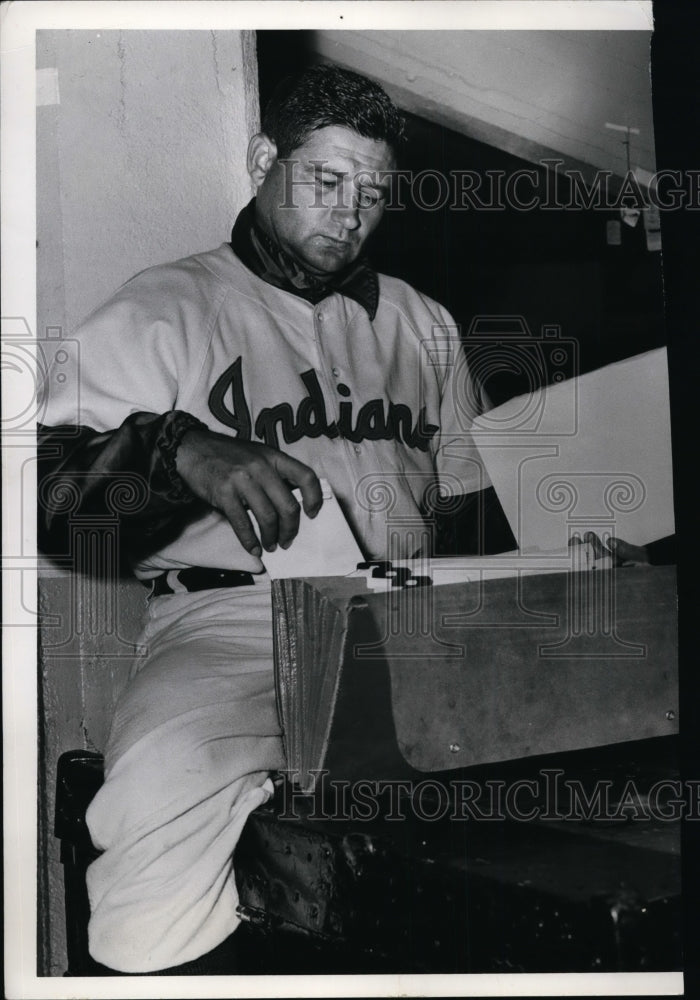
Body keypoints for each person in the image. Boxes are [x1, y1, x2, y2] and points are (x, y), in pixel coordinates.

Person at [37, 64, 523, 975]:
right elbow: (48, 498)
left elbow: (464, 500)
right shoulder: (167, 305)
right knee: (154, 812)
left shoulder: (425, 324)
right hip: (237, 623)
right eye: (326, 182)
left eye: (373, 193)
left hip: (410, 619)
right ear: (265, 159)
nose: (350, 213)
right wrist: (176, 446)